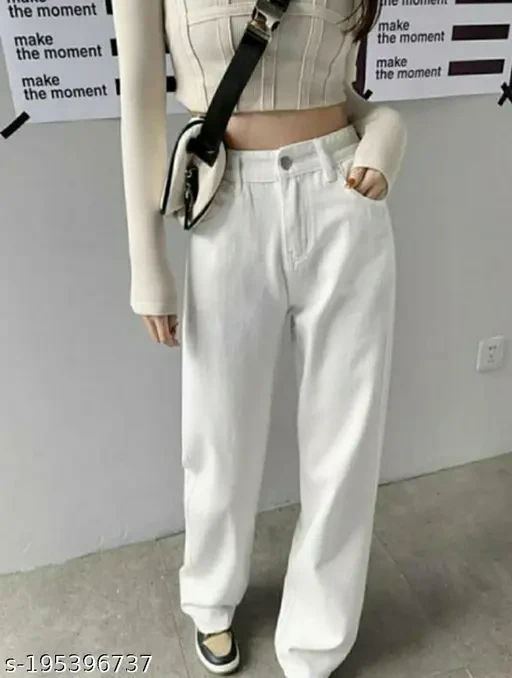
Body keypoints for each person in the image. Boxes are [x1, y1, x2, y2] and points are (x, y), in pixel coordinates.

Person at [112, 0, 407, 676]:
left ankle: (317, 637)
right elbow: (141, 105)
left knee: (345, 439)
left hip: (344, 195)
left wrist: (386, 129)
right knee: (218, 432)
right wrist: (146, 262)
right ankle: (210, 596)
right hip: (228, 203)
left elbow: (334, 86)